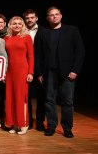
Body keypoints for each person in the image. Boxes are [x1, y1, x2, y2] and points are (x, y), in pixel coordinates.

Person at [35, 7, 85, 138]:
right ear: (47, 18)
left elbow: (80, 52)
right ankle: (51, 126)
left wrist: (75, 70)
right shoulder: (43, 33)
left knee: (67, 101)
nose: (54, 17)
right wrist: (39, 73)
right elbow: (38, 55)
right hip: (49, 72)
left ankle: (67, 128)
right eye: (51, 15)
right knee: (49, 100)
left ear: (61, 16)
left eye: (56, 14)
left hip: (68, 72)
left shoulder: (72, 30)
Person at [4, 16, 34, 135]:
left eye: (19, 24)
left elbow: (31, 56)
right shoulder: (6, 38)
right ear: (10, 25)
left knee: (21, 98)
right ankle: (14, 124)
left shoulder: (26, 37)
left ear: (23, 26)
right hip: (10, 71)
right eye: (14, 23)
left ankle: (23, 124)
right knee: (10, 98)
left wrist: (30, 72)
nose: (17, 25)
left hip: (22, 71)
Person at [23, 8, 46, 131]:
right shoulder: (21, 31)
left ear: (36, 18)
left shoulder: (44, 31)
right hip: (25, 68)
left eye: (32, 17)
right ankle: (29, 121)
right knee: (27, 96)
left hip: (40, 69)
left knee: (41, 97)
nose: (29, 20)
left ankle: (40, 121)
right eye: (27, 18)